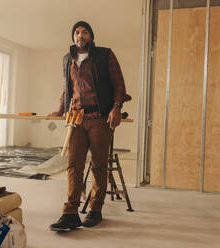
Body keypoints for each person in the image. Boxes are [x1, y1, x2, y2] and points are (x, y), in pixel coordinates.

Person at [49, 21, 127, 231]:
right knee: (74, 165)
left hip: (100, 118)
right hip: (75, 119)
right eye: (76, 32)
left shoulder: (105, 55)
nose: (80, 35)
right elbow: (67, 88)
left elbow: (119, 84)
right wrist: (59, 109)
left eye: (84, 32)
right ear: (73, 37)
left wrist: (116, 108)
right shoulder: (68, 59)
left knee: (99, 165)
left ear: (91, 36)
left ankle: (95, 209)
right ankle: (71, 212)